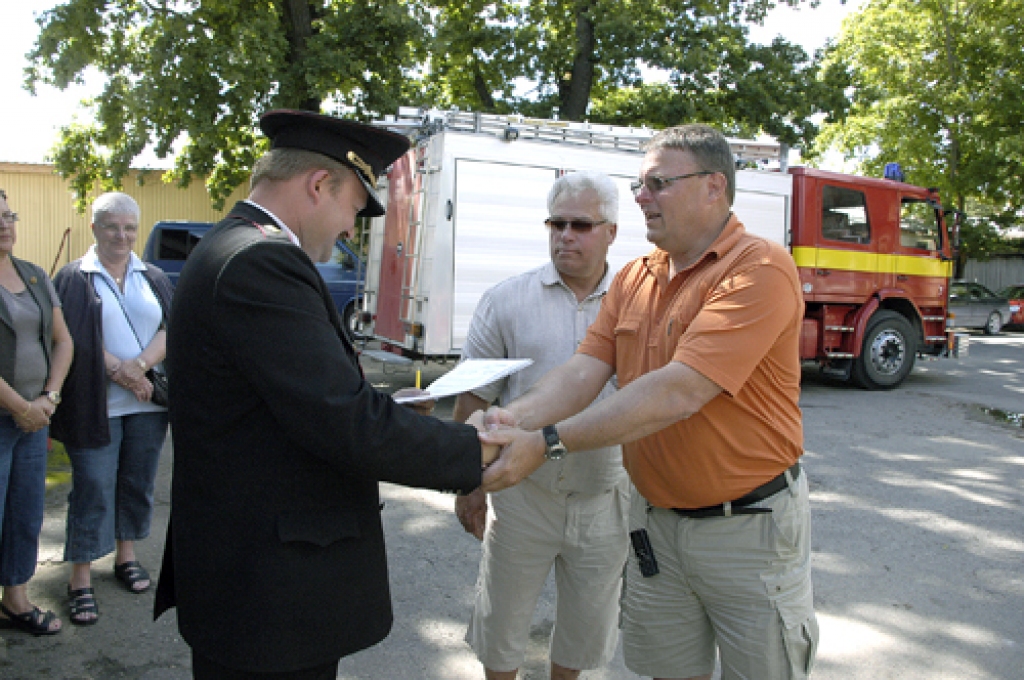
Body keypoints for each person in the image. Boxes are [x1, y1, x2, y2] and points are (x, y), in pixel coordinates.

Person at [153, 109, 498, 680]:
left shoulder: (231, 244)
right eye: (354, 211)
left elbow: (292, 398)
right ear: (319, 184)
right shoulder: (262, 261)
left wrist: (374, 403)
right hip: (270, 592)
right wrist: (476, 453)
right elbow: (345, 421)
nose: (350, 231)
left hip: (249, 576)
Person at [479, 125, 818, 680]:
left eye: (658, 183)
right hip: (655, 525)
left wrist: (546, 443)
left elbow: (680, 390)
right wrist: (513, 417)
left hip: (748, 531)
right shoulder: (636, 276)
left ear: (714, 187)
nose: (640, 196)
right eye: (640, 184)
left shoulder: (758, 269)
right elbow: (585, 371)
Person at [453, 172, 630, 680]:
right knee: (501, 634)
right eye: (557, 223)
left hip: (604, 498)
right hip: (522, 496)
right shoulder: (506, 300)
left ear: (611, 232)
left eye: (581, 225)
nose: (565, 235)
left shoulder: (637, 303)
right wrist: (468, 484)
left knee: (584, 635)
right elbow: (473, 397)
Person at [51, 191, 174, 626]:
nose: (121, 235)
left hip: (146, 406)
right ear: (94, 229)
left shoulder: (153, 276)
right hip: (95, 404)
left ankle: (126, 556)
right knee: (93, 487)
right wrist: (121, 372)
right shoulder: (74, 277)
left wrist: (140, 367)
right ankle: (80, 577)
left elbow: (168, 328)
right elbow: (73, 337)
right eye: (111, 226)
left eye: (129, 227)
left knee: (136, 483)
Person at [0, 189, 74, 636]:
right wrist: (22, 407)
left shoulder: (32, 276)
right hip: (9, 416)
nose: (4, 224)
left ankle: (16, 599)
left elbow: (63, 340)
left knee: (25, 513)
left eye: (9, 215)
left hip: (34, 418)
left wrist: (49, 397)